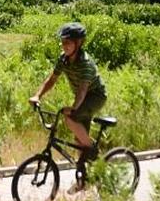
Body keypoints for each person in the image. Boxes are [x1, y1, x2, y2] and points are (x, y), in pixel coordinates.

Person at [29, 22, 107, 191]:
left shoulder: (86, 64)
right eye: (63, 42)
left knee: (70, 118)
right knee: (79, 141)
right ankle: (84, 180)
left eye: (68, 43)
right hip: (83, 97)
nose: (64, 46)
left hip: (95, 97)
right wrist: (37, 95)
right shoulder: (63, 59)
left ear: (78, 44)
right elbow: (52, 79)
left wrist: (73, 108)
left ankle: (92, 148)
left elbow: (83, 89)